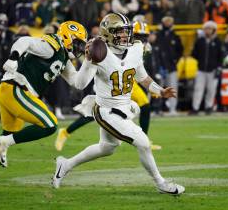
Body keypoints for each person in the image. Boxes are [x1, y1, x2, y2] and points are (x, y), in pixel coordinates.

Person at [52, 13, 185, 195]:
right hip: (106, 111)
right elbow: (80, 84)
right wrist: (88, 60)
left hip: (124, 107)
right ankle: (161, 183)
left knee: (107, 148)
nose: (125, 36)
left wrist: (159, 90)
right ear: (107, 33)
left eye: (126, 32)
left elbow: (142, 77)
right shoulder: (99, 52)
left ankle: (65, 164)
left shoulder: (136, 48)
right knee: (143, 142)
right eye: (119, 32)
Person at [0, 21, 88, 185]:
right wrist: (13, 58)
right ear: (68, 37)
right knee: (49, 124)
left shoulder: (64, 57)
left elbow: (77, 82)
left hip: (10, 91)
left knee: (7, 134)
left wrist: (91, 63)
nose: (79, 48)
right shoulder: (52, 45)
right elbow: (24, 41)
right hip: (16, 89)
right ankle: (3, 144)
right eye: (78, 43)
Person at [55, 20, 162, 151]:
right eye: (139, 36)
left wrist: (153, 86)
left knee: (143, 104)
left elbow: (139, 69)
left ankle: (144, 140)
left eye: (145, 36)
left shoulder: (140, 46)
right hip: (111, 80)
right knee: (94, 114)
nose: (142, 39)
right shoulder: (116, 41)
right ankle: (65, 132)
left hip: (127, 81)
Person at [190, 21, 223, 115]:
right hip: (201, 69)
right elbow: (194, 53)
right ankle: (195, 108)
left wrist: (219, 68)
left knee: (211, 90)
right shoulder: (200, 41)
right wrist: (200, 60)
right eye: (206, 29)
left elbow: (221, 56)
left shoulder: (217, 41)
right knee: (198, 89)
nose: (207, 30)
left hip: (213, 70)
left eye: (209, 29)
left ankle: (209, 107)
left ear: (213, 30)